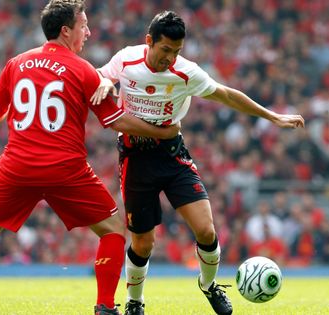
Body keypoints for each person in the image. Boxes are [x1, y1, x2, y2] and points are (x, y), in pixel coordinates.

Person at [0, 1, 180, 315]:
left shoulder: (16, 63)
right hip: (65, 169)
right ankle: (105, 307)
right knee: (113, 231)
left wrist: (14, 114)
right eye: (84, 26)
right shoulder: (83, 70)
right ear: (66, 30)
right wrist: (162, 132)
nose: (88, 32)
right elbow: (116, 121)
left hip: (17, 167)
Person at [91, 11, 305, 315]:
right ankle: (135, 302)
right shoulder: (126, 59)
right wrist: (102, 80)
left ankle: (209, 285)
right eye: (165, 50)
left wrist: (273, 116)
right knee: (142, 243)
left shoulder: (187, 72)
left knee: (206, 230)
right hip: (135, 158)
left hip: (172, 154)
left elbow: (227, 95)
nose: (169, 58)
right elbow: (98, 74)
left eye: (176, 52)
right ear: (149, 41)